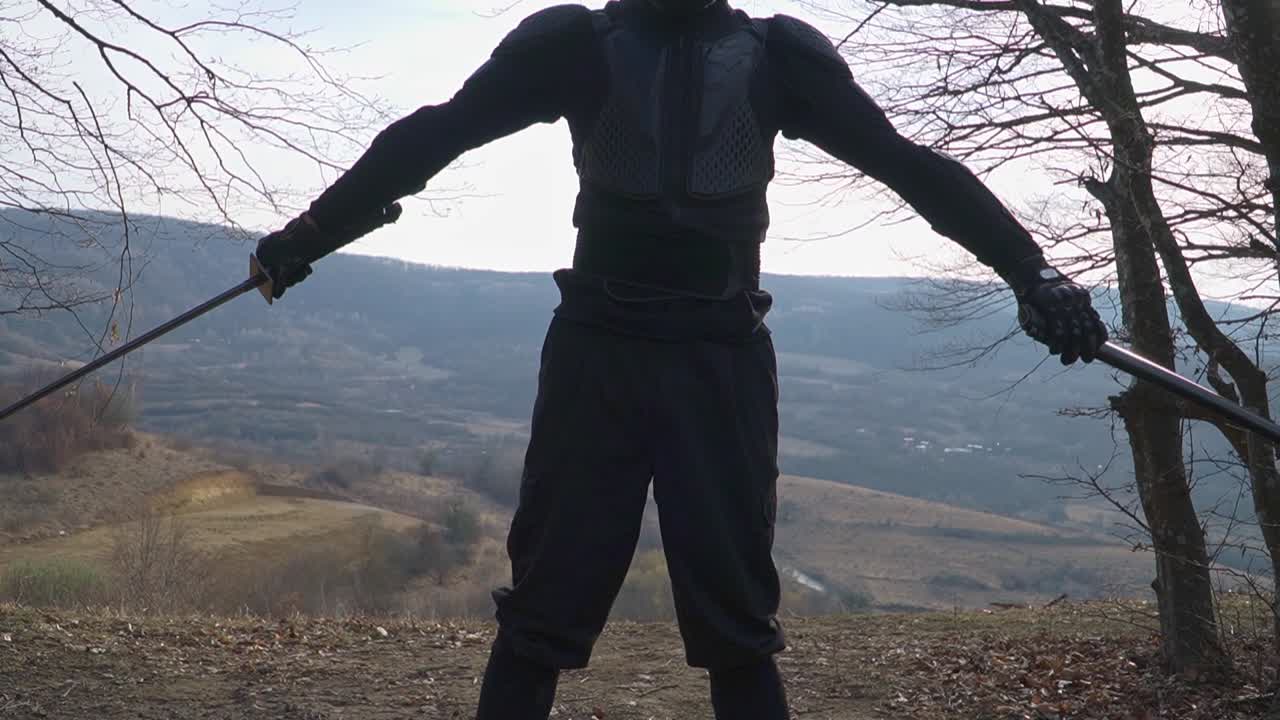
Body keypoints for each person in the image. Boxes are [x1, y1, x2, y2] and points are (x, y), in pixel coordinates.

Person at [253, 0, 1108, 717]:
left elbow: (910, 169)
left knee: (736, 624)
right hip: (606, 355)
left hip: (716, 358)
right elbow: (431, 139)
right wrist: (313, 234)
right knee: (545, 610)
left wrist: (1032, 271)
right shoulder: (575, 44)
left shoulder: (776, 56)